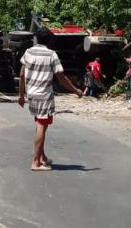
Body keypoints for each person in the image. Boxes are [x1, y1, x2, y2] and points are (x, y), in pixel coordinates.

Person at [17, 27, 84, 171]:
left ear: (37, 38)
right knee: (42, 125)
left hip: (31, 94)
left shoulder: (28, 52)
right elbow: (61, 78)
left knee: (41, 124)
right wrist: (75, 90)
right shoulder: (51, 54)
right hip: (44, 96)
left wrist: (21, 95)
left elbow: (21, 74)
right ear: (50, 40)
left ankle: (42, 157)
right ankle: (35, 162)